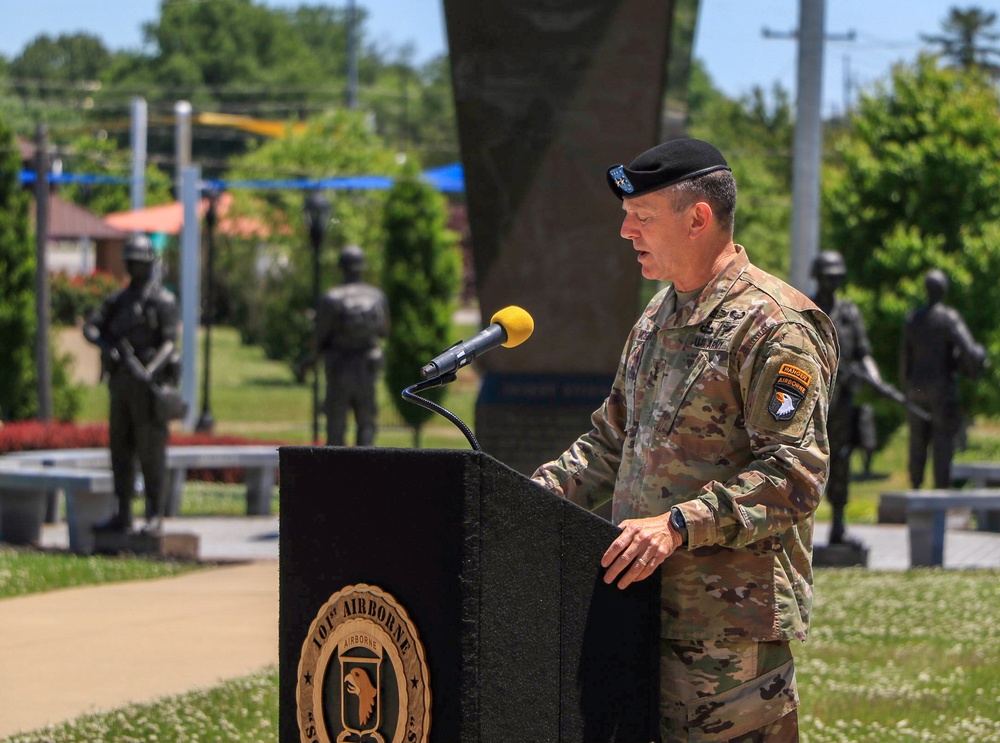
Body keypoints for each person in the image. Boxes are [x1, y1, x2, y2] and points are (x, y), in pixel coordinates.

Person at [531, 139, 839, 742]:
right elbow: (609, 443)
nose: (625, 232)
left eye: (641, 217)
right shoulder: (659, 316)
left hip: (727, 639)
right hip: (638, 616)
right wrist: (527, 497)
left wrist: (677, 525)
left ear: (698, 218)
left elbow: (795, 475)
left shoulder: (775, 326)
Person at [83, 234, 181, 534]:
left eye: (139, 262)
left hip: (148, 389)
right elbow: (90, 327)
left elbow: (168, 342)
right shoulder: (117, 301)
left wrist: (150, 370)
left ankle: (154, 515)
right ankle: (122, 513)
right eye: (131, 262)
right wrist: (106, 346)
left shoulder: (163, 300)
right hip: (122, 386)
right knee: (120, 451)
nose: (134, 267)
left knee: (151, 453)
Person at [809, 250, 881, 546]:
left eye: (837, 276)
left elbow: (863, 353)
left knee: (841, 460)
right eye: (828, 275)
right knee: (804, 462)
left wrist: (875, 379)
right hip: (810, 399)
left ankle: (838, 526)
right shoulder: (806, 308)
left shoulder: (850, 313)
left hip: (842, 403)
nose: (832, 281)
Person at [900, 269, 986, 489]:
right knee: (942, 441)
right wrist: (975, 362)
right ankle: (940, 493)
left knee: (917, 441)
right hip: (941, 389)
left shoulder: (914, 319)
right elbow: (967, 348)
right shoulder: (948, 318)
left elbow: (905, 358)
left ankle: (916, 487)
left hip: (916, 390)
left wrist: (907, 387)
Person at [315, 245, 390, 447]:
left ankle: (335, 474)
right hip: (367, 368)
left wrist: (311, 358)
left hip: (339, 368)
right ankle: (365, 473)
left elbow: (319, 336)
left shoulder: (331, 298)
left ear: (341, 267)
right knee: (366, 426)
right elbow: (384, 331)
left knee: (336, 428)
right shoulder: (376, 296)